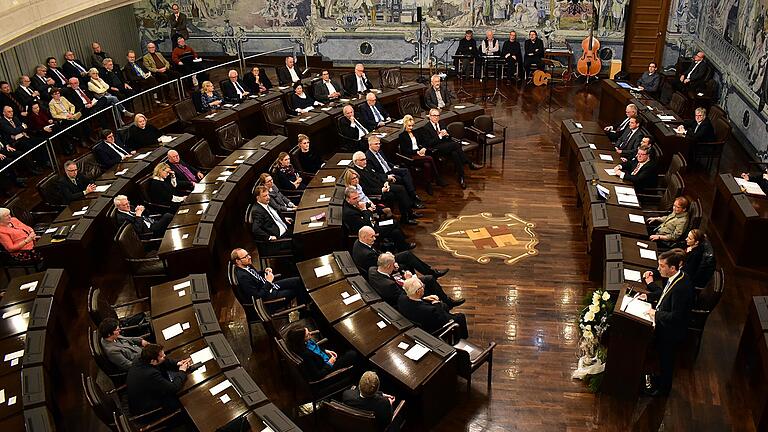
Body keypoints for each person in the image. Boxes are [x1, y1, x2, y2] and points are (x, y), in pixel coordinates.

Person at [638, 249, 694, 396]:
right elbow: (665, 296)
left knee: (666, 360)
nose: (658, 269)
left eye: (662, 266)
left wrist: (656, 313)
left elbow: (676, 317)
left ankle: (662, 389)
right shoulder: (677, 277)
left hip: (671, 332)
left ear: (673, 268)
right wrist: (648, 297)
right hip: (665, 325)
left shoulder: (681, 288)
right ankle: (658, 379)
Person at [369, 251, 459, 308]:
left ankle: (447, 301)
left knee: (429, 278)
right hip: (406, 300)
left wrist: (396, 269)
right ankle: (445, 303)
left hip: (399, 285)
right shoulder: (389, 285)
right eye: (393, 264)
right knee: (429, 281)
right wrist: (409, 280)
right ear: (388, 266)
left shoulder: (372, 270)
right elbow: (406, 295)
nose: (396, 265)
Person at [419, 109, 483, 189]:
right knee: (455, 145)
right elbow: (428, 143)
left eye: (437, 116)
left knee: (455, 153)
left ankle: (462, 177)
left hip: (447, 146)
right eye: (434, 115)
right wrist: (440, 136)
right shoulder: (426, 128)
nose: (436, 117)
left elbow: (449, 137)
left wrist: (447, 134)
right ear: (430, 116)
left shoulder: (441, 123)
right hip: (436, 148)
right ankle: (469, 163)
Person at [351, 151, 418, 224]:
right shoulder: (356, 173)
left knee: (401, 188)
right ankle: (407, 216)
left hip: (382, 185)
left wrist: (385, 181)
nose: (365, 161)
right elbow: (365, 190)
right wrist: (381, 190)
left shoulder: (366, 166)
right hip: (377, 191)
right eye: (362, 160)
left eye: (365, 159)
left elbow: (376, 175)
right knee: (400, 190)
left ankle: (407, 215)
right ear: (356, 161)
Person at [354, 226, 448, 278]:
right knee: (407, 261)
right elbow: (380, 266)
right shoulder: (366, 254)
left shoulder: (359, 241)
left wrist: (386, 255)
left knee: (407, 256)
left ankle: (425, 275)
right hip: (382, 268)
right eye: (372, 237)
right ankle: (426, 276)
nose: (374, 238)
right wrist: (392, 264)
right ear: (364, 237)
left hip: (383, 259)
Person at [126, 344, 191, 414]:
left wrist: (177, 363)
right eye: (162, 356)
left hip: (146, 394)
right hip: (147, 409)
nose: (164, 356)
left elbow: (163, 361)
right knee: (186, 400)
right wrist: (182, 371)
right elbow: (174, 388)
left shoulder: (141, 358)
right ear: (153, 361)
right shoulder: (150, 374)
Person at [342, 187, 413, 251]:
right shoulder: (350, 212)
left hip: (373, 224)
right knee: (394, 223)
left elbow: (365, 209)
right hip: (371, 230)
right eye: (354, 198)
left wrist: (369, 206)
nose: (357, 200)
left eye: (357, 197)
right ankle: (402, 243)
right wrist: (366, 210)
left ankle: (401, 246)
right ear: (348, 199)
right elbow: (365, 224)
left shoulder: (352, 204)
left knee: (395, 231)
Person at [230, 247, 308, 305]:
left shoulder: (246, 265)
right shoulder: (243, 277)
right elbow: (257, 297)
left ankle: (306, 305)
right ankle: (305, 311)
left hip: (270, 286)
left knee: (299, 280)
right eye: (245, 257)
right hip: (269, 297)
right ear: (238, 261)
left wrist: (264, 271)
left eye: (248, 255)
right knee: (298, 290)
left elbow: (255, 275)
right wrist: (268, 282)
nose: (249, 257)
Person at [398, 277, 469, 340]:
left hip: (417, 320)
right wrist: (436, 303)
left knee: (444, 306)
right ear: (418, 292)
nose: (424, 287)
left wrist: (424, 298)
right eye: (422, 286)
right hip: (433, 327)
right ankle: (463, 337)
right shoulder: (429, 310)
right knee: (460, 316)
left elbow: (414, 299)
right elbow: (443, 320)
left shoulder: (401, 298)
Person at [285, 325, 357, 381]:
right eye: (307, 335)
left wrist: (325, 351)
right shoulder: (306, 355)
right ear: (301, 340)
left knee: (339, 341)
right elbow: (317, 375)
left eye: (308, 332)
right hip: (325, 367)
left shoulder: (304, 343)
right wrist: (330, 363)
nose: (310, 334)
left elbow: (316, 348)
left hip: (323, 358)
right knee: (352, 354)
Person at [366, 135, 421, 206]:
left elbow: (386, 162)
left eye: (379, 143)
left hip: (390, 169)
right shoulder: (368, 157)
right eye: (376, 144)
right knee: (400, 179)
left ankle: (413, 194)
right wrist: (387, 176)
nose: (378, 145)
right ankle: (411, 199)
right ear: (370, 145)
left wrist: (394, 166)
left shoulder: (380, 152)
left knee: (405, 171)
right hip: (384, 174)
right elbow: (375, 173)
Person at [398, 114, 445, 194]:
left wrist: (423, 149)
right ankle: (437, 178)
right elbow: (405, 150)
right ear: (405, 125)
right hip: (411, 157)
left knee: (427, 165)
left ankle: (428, 185)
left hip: (419, 154)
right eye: (409, 126)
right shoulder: (402, 136)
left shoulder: (415, 133)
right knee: (430, 158)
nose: (411, 128)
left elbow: (421, 144)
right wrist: (417, 152)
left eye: (412, 126)